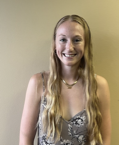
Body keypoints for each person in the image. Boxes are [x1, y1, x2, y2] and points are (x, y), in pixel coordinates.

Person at [19, 15, 111, 145]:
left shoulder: (99, 85)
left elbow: (105, 139)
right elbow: (25, 138)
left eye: (77, 40)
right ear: (55, 44)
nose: (69, 47)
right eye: (63, 39)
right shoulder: (39, 83)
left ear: (86, 44)